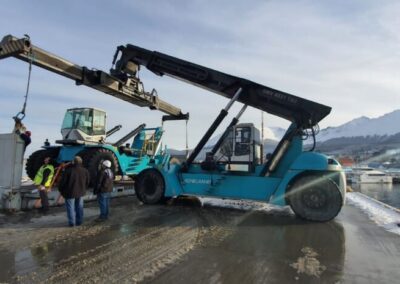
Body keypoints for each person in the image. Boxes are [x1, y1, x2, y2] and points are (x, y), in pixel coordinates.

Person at [59, 156, 90, 227]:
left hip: (69, 193)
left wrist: (61, 191)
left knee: (70, 208)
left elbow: (62, 183)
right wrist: (84, 188)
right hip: (81, 192)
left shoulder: (68, 171)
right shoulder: (85, 171)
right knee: (79, 207)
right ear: (81, 162)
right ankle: (79, 221)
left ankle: (72, 222)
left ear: (73, 162)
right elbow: (88, 182)